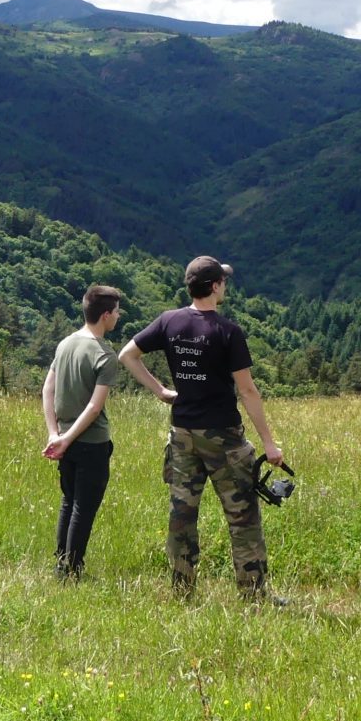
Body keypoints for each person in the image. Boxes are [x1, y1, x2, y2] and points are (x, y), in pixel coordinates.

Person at [119, 256, 287, 601]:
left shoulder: (169, 321)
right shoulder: (228, 332)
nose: (225, 286)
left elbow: (127, 355)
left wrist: (161, 391)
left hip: (182, 434)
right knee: (242, 517)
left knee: (182, 516)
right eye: (223, 281)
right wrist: (269, 444)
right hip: (224, 437)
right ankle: (253, 595)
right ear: (214, 286)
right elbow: (247, 391)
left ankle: (182, 591)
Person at [41, 284, 131, 581]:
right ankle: (73, 571)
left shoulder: (65, 344)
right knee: (83, 507)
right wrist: (66, 439)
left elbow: (48, 389)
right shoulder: (105, 354)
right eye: (116, 312)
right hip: (92, 443)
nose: (118, 316)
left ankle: (61, 567)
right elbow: (94, 407)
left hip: (64, 438)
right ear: (105, 315)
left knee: (68, 502)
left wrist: (55, 434)